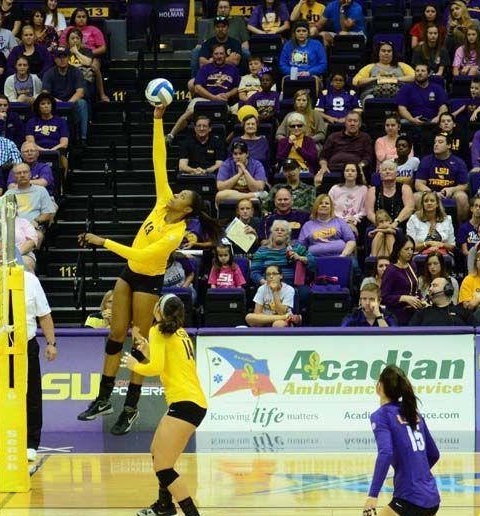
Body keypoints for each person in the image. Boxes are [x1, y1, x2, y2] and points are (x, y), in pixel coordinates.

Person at [77, 106, 222, 435]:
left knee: (139, 341)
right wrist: (157, 119)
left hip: (148, 279)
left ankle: (130, 407)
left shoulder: (175, 234)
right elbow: (159, 160)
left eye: (183, 194)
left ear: (188, 208)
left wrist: (103, 241)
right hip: (129, 272)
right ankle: (103, 397)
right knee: (116, 333)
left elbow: (141, 253)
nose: (177, 193)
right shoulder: (163, 201)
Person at [354, 365, 467, 516]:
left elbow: (386, 453)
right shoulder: (413, 413)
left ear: (379, 387)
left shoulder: (380, 415)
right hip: (430, 496)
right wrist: (417, 473)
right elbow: (434, 454)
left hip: (408, 498)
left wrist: (372, 495)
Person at [122, 294, 208, 516]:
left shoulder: (159, 330)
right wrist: (148, 349)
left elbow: (155, 368)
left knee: (163, 466)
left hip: (186, 403)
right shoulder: (178, 332)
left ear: (159, 310)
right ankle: (164, 506)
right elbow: (167, 362)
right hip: (191, 402)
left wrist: (134, 366)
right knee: (155, 452)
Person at [0, 247, 57, 463]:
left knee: (31, 396)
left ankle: (30, 444)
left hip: (24, 346)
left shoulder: (30, 281)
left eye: (6, 252)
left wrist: (51, 343)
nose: (2, 257)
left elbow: (44, 314)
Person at [168, 43, 240, 142]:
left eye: (221, 53)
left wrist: (227, 95)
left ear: (226, 55)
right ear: (212, 55)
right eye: (216, 54)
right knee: (190, 111)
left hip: (223, 101)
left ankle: (225, 143)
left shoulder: (233, 69)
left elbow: (236, 88)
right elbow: (197, 87)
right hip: (204, 99)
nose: (219, 56)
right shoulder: (205, 68)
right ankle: (171, 136)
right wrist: (213, 98)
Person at [415, 132, 469, 223]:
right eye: (435, 142)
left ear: (448, 145)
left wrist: (452, 189)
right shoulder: (426, 160)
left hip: (450, 194)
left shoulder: (459, 162)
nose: (436, 144)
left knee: (462, 197)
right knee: (415, 197)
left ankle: (461, 228)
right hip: (429, 192)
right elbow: (418, 184)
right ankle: (422, 225)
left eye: (440, 142)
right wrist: (432, 193)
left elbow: (464, 185)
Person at [58, 7, 109, 102]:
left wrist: (88, 53)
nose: (81, 19)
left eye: (83, 17)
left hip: (91, 56)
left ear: (87, 18)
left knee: (95, 67)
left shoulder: (94, 29)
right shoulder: (68, 29)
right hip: (71, 55)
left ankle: (102, 94)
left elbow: (103, 48)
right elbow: (61, 46)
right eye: (78, 17)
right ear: (74, 18)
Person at [41, 46, 89, 144]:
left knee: (82, 103)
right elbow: (45, 94)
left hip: (72, 102)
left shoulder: (76, 72)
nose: (62, 59)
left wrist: (68, 104)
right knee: (45, 104)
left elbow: (80, 92)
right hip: (55, 103)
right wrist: (57, 102)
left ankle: (83, 138)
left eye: (64, 56)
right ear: (55, 59)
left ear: (68, 58)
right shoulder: (49, 73)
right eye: (59, 57)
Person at [250, 219, 315, 289]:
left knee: (305, 292)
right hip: (269, 285)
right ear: (272, 234)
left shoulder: (296, 248)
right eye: (276, 230)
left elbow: (313, 261)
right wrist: (266, 284)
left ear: (287, 235)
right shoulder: (262, 251)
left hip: (293, 286)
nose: (279, 232)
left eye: (283, 230)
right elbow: (255, 273)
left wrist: (300, 258)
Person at [4, 162, 55, 246]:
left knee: (37, 236)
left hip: (33, 225)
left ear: (30, 174)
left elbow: (47, 213)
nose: (22, 175)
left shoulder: (41, 190)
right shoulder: (9, 193)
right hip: (13, 227)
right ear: (14, 177)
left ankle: (21, 255)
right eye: (19, 173)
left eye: (25, 172)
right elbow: (4, 215)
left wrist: (36, 221)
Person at [297, 194, 357, 265]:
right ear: (316, 207)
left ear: (331, 207)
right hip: (315, 262)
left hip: (340, 259)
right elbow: (301, 246)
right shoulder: (307, 225)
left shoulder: (340, 221)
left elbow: (351, 241)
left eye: (327, 203)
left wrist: (343, 256)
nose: (324, 205)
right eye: (320, 203)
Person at [316, 111, 374, 180]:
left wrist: (360, 166)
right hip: (334, 169)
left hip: (354, 170)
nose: (352, 123)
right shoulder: (333, 136)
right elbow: (323, 156)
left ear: (360, 124)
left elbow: (368, 157)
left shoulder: (365, 137)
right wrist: (323, 167)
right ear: (345, 123)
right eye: (349, 121)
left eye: (355, 121)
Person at [381, 235, 422, 326]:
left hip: (414, 313)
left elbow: (415, 288)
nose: (410, 252)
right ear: (399, 250)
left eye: (412, 249)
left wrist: (421, 299)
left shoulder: (412, 265)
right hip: (397, 316)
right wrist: (403, 298)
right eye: (406, 249)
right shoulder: (391, 270)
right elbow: (384, 297)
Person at [396, 64, 449, 129]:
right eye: (417, 71)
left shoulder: (437, 88)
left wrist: (438, 117)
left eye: (423, 71)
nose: (420, 73)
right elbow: (401, 108)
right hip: (412, 121)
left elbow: (443, 107)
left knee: (445, 121)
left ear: (428, 74)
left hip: (433, 120)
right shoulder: (406, 88)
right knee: (401, 122)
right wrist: (412, 119)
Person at [366, 159, 415, 228]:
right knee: (380, 233)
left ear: (396, 173)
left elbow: (409, 208)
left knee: (386, 233)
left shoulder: (405, 188)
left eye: (390, 169)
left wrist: (395, 222)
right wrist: (381, 224)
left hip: (399, 225)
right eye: (384, 170)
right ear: (380, 174)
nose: (387, 171)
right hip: (377, 225)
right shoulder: (372, 190)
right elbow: (369, 213)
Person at [215, 140, 266, 205]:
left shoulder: (257, 165)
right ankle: (250, 195)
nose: (238, 157)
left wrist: (245, 171)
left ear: (247, 154)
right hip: (235, 195)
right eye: (235, 154)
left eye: (241, 153)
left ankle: (249, 196)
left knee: (260, 197)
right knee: (220, 195)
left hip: (246, 196)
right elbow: (221, 187)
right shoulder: (226, 164)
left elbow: (258, 189)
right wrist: (239, 175)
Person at [407, 191, 456, 257]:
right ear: (422, 204)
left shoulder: (447, 220)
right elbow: (410, 246)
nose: (429, 203)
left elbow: (452, 246)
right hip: (420, 255)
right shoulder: (414, 219)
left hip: (443, 255)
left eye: (432, 201)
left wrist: (442, 245)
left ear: (437, 204)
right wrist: (427, 243)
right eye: (426, 201)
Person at [328, 162, 368, 234]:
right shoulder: (335, 189)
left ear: (357, 173)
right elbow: (329, 208)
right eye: (347, 170)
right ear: (343, 173)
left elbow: (365, 209)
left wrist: (355, 217)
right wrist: (343, 219)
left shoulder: (363, 189)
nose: (350, 173)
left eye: (353, 171)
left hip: (356, 222)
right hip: (336, 221)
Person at [459, 248, 480, 324]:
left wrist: (479, 300)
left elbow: (475, 302)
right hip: (475, 315)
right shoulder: (468, 280)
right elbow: (469, 306)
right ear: (476, 261)